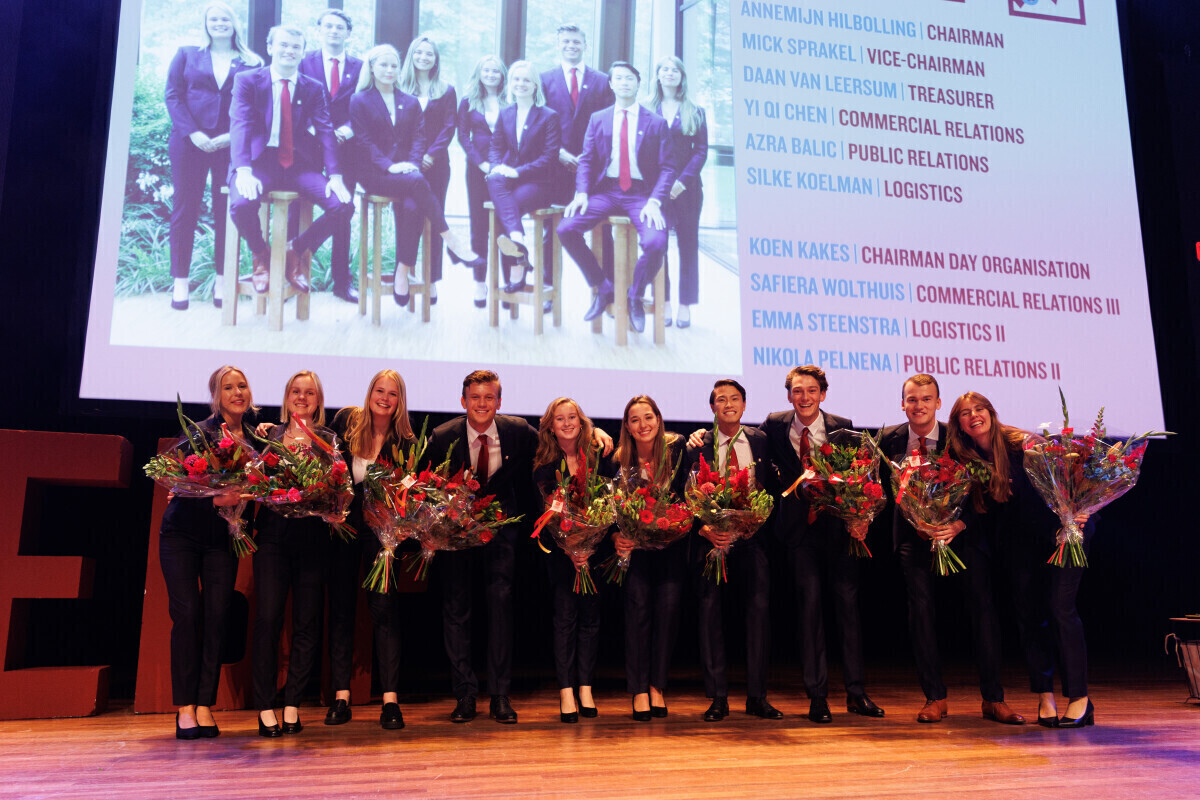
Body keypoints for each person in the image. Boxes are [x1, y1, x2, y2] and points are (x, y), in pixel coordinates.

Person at [947, 392, 1094, 727]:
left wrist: (1080, 507)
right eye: (965, 413)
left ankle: (1080, 698)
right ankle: (1045, 695)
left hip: (1064, 530)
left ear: (991, 413)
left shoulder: (1021, 443)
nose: (974, 416)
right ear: (958, 424)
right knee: (1029, 615)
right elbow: (975, 508)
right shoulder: (965, 457)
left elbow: (1071, 473)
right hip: (1019, 541)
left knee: (1060, 608)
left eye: (979, 409)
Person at [759, 365, 884, 723]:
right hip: (798, 533)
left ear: (823, 394)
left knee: (848, 610)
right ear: (789, 395)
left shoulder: (844, 428)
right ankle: (817, 696)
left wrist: (861, 516)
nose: (805, 397)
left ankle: (856, 693)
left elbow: (861, 476)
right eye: (798, 391)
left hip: (839, 530)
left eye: (812, 390)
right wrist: (698, 436)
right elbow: (749, 443)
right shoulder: (774, 424)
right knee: (809, 610)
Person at [423, 370, 541, 725]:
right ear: (463, 401)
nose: (482, 404)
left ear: (499, 402)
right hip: (455, 533)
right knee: (456, 608)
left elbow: (555, 439)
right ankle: (465, 695)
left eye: (489, 397)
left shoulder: (518, 431)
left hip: (501, 532)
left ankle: (500, 695)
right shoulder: (443, 436)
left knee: (500, 606)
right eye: (475, 397)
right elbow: (426, 486)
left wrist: (593, 431)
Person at [159, 365, 256, 739]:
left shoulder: (257, 442)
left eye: (242, 386)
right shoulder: (198, 434)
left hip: (221, 539)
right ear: (216, 396)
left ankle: (204, 704)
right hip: (182, 535)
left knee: (217, 617)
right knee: (187, 615)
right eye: (228, 387)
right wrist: (214, 499)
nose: (237, 392)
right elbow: (176, 483)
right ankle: (185, 706)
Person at [227, 25, 353, 295]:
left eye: (296, 47)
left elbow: (325, 131)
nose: (289, 51)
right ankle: (261, 255)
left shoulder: (313, 88)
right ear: (270, 48)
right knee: (240, 204)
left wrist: (335, 175)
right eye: (283, 45)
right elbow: (240, 125)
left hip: (298, 164)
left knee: (343, 206)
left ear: (303, 52)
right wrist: (243, 170)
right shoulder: (247, 80)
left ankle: (294, 250)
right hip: (258, 163)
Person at [683, 379, 782, 721]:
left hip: (753, 540)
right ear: (712, 407)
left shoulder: (761, 440)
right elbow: (686, 495)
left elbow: (772, 488)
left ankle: (757, 697)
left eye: (735, 398)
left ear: (744, 404)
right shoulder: (698, 445)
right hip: (713, 541)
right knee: (710, 615)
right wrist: (706, 528)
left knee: (758, 615)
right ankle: (718, 698)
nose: (728, 404)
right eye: (721, 400)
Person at [351, 44, 480, 306]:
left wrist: (411, 165)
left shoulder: (408, 101)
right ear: (372, 68)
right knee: (418, 185)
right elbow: (363, 142)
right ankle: (451, 237)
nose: (389, 70)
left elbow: (419, 137)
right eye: (383, 65)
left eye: (393, 65)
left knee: (413, 207)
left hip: (408, 173)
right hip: (375, 173)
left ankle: (402, 271)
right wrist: (389, 166)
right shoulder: (359, 100)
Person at [326, 370, 415, 731]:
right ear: (370, 392)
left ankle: (390, 700)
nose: (384, 398)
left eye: (393, 394)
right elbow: (318, 451)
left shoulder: (407, 442)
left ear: (400, 401)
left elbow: (412, 494)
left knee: (385, 611)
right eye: (380, 390)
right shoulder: (347, 423)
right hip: (344, 530)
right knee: (342, 610)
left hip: (383, 537)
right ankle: (341, 696)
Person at [558, 62, 675, 333]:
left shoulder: (656, 123)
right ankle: (602, 286)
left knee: (656, 242)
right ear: (610, 84)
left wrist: (655, 201)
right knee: (566, 229)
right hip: (606, 191)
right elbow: (587, 160)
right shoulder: (598, 119)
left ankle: (635, 295)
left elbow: (668, 168)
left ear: (638, 84)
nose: (624, 82)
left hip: (642, 195)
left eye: (630, 78)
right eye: (619, 78)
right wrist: (581, 193)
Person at [252, 370, 335, 737]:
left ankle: (292, 704)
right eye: (296, 391)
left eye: (309, 393)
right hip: (272, 537)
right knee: (268, 620)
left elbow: (339, 490)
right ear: (286, 397)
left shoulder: (329, 440)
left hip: (313, 540)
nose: (302, 397)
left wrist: (335, 504)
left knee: (306, 623)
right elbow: (250, 480)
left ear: (318, 400)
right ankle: (265, 704)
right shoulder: (267, 436)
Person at [164, 2, 261, 311]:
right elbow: (173, 95)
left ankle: (222, 280)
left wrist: (231, 136)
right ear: (205, 24)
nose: (219, 23)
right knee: (185, 209)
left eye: (225, 19)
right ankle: (180, 283)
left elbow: (258, 107)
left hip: (231, 144)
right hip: (189, 142)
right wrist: (193, 133)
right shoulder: (186, 54)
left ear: (235, 24)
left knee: (226, 211)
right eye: (213, 19)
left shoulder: (252, 62)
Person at [877, 373, 954, 722]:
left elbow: (978, 488)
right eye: (912, 399)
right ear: (902, 404)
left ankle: (993, 697)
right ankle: (935, 696)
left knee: (982, 611)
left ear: (938, 403)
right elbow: (876, 488)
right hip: (911, 539)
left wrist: (958, 524)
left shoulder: (957, 437)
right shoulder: (889, 439)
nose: (918, 405)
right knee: (920, 614)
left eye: (926, 399)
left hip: (957, 538)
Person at [531, 398, 609, 723]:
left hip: (594, 553)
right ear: (551, 426)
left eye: (572, 417)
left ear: (581, 421)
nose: (566, 423)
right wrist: (570, 548)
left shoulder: (598, 458)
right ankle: (566, 691)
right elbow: (544, 515)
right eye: (559, 419)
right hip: (560, 555)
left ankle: (586, 688)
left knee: (591, 619)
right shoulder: (544, 467)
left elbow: (609, 504)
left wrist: (587, 544)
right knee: (565, 620)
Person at [613, 395, 687, 721]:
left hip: (672, 549)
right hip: (636, 551)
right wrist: (615, 537)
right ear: (627, 427)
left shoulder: (677, 451)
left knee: (668, 614)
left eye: (648, 417)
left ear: (658, 419)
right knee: (637, 614)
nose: (643, 425)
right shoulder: (617, 461)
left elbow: (689, 497)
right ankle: (638, 689)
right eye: (635, 419)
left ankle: (657, 685)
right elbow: (608, 511)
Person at [399, 36, 480, 303]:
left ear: (436, 59)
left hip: (436, 165)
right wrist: (412, 158)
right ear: (411, 55)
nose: (423, 58)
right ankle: (405, 274)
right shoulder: (398, 87)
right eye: (419, 52)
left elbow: (449, 127)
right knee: (407, 216)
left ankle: (431, 279)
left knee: (435, 220)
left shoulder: (446, 90)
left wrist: (430, 155)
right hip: (405, 166)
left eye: (429, 54)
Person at [296, 8, 363, 303]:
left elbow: (365, 105)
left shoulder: (361, 67)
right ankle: (292, 274)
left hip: (347, 148)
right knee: (298, 208)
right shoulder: (303, 61)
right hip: (307, 146)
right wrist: (317, 131)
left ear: (348, 33)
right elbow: (295, 101)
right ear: (319, 30)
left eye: (340, 27)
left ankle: (341, 282)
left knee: (343, 212)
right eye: (328, 26)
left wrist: (346, 131)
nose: (334, 31)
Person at [540, 25, 615, 283]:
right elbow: (539, 124)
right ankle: (549, 287)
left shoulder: (603, 81)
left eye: (576, 42)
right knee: (551, 229)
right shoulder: (544, 80)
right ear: (558, 44)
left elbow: (609, 125)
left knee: (604, 231)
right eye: (566, 41)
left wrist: (588, 157)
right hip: (556, 166)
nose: (571, 45)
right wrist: (558, 153)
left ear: (585, 45)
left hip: (592, 168)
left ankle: (607, 289)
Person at [486, 60, 561, 312]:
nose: (521, 84)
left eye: (526, 80)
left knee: (507, 209)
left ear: (535, 85)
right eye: (516, 79)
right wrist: (497, 166)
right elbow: (495, 147)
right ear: (510, 84)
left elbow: (549, 157)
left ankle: (517, 268)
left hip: (539, 181)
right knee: (493, 178)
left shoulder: (548, 116)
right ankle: (518, 243)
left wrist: (517, 171)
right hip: (510, 177)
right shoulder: (506, 113)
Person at [645, 56, 707, 330]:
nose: (670, 73)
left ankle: (685, 305)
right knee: (658, 247)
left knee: (688, 246)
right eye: (665, 70)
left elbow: (701, 151)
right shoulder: (646, 109)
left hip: (688, 190)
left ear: (682, 76)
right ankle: (664, 301)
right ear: (658, 76)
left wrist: (682, 181)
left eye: (675, 70)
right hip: (656, 190)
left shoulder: (696, 110)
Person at [458, 56, 508, 307]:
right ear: (479, 73)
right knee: (479, 227)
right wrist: (481, 163)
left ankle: (509, 283)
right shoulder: (468, 101)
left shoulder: (511, 100)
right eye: (486, 70)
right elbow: (462, 136)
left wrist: (502, 166)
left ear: (502, 75)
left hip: (505, 170)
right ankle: (480, 282)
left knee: (506, 225)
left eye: (495, 71)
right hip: (477, 171)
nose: (491, 75)